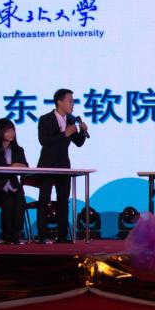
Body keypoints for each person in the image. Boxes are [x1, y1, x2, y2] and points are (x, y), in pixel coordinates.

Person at [36, 88, 88, 243]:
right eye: (70, 101)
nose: (73, 104)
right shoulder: (45, 119)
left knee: (63, 200)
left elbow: (78, 142)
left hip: (64, 165)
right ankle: (42, 234)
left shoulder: (71, 120)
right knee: (44, 199)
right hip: (47, 164)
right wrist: (64, 134)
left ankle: (62, 235)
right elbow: (44, 141)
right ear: (59, 102)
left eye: (73, 101)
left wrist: (82, 132)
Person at [0, 118, 29, 244]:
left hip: (14, 185)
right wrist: (12, 167)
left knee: (19, 199)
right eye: (8, 131)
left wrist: (19, 166)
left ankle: (16, 233)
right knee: (8, 200)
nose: (11, 133)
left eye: (13, 130)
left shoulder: (18, 149)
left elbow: (25, 167)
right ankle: (6, 233)